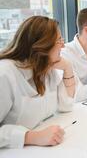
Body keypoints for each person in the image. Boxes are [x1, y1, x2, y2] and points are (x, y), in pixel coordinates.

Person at [0, 16, 76, 148]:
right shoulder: (5, 74)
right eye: (59, 40)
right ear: (42, 46)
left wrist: (68, 68)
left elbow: (66, 105)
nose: (63, 45)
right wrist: (32, 137)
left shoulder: (45, 68)